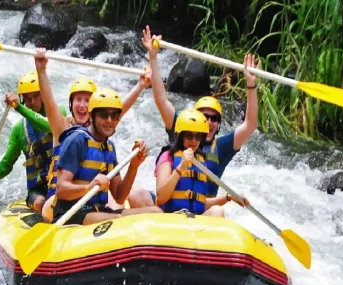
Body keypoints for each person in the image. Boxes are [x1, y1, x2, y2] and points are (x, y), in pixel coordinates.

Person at [126, 25, 261, 207]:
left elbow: (251, 124)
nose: (209, 122)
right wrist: (153, 58)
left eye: (214, 119)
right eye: (205, 116)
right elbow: (161, 99)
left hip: (201, 208)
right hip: (171, 204)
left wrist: (251, 85)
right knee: (135, 195)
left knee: (217, 213)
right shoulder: (181, 130)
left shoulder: (222, 148)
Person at [32, 48, 153, 220]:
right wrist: (41, 70)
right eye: (78, 100)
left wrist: (141, 85)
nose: (82, 105)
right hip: (63, 205)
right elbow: (50, 103)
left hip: (93, 204)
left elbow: (117, 110)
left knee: (150, 211)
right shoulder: (66, 131)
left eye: (87, 100)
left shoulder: (106, 142)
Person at [52, 87, 163, 225]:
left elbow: (119, 196)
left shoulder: (109, 147)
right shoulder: (77, 140)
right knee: (117, 221)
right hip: (71, 214)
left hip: (99, 211)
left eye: (115, 115)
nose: (109, 120)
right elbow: (61, 189)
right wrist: (88, 188)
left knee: (155, 212)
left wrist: (134, 166)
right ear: (92, 116)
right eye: (104, 115)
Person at [0, 72, 67, 212]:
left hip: (60, 182)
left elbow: (46, 126)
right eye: (27, 99)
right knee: (41, 203)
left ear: (43, 95)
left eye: (36, 96)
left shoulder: (59, 113)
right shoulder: (19, 129)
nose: (32, 102)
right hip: (38, 190)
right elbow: (6, 165)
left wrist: (19, 107)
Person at [155, 109, 248, 217]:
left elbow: (201, 202)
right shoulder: (167, 156)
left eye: (198, 136)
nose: (194, 141)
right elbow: (161, 198)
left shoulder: (200, 161)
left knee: (217, 211)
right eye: (189, 136)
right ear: (180, 136)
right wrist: (181, 167)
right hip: (170, 218)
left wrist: (228, 197)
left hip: (193, 221)